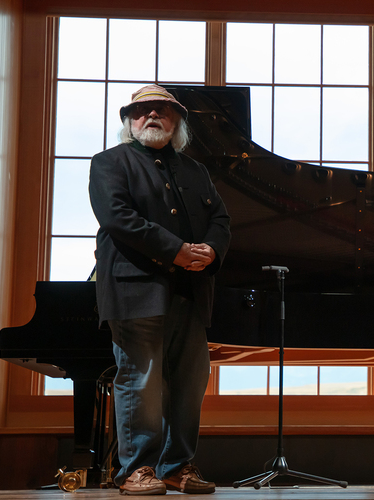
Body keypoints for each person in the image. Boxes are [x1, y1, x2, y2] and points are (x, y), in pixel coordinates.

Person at [89, 84, 231, 495]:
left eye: (162, 111)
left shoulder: (196, 171)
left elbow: (220, 219)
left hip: (190, 291)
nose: (152, 116)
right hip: (135, 290)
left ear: (177, 121)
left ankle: (177, 467)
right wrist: (178, 251)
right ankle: (136, 469)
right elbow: (118, 218)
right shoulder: (108, 163)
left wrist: (211, 251)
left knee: (190, 383)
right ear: (129, 122)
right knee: (141, 380)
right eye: (142, 111)